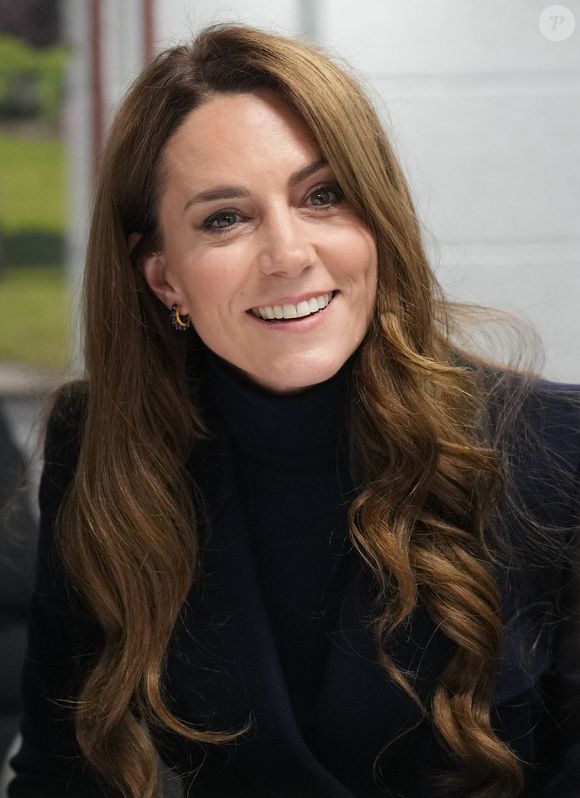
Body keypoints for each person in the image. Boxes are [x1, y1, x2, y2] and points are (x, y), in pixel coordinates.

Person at [7, 23, 580, 798]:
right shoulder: (104, 446)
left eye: (323, 197)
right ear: (163, 276)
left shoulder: (555, 447)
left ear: (375, 220)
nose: (288, 255)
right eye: (224, 219)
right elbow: (61, 772)